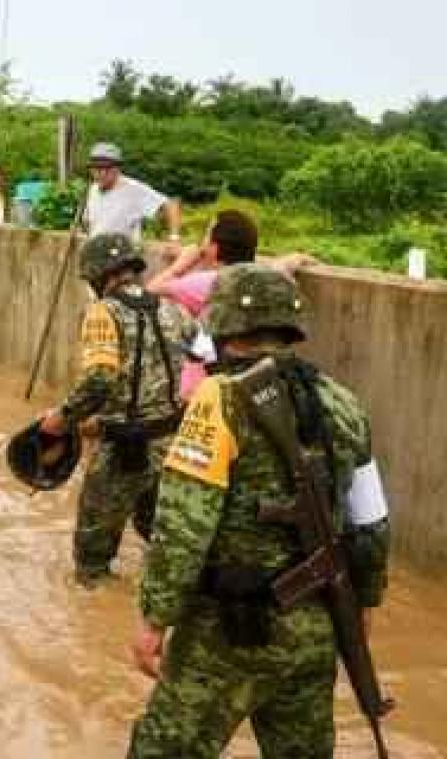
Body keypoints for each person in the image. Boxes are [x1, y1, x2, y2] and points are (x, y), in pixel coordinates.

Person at [128, 264, 391, 757]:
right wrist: (364, 606)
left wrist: (153, 619)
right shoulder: (345, 403)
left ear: (222, 323)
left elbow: (183, 528)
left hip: (225, 634)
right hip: (315, 627)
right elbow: (373, 526)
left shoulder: (218, 398)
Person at [38, 233, 191, 586]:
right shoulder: (171, 308)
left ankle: (97, 621)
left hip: (123, 450)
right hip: (172, 446)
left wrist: (62, 418)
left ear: (96, 276)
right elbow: (208, 355)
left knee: (91, 558)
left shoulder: (102, 312)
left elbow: (101, 378)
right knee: (160, 535)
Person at [146, 210, 314, 399]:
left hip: (204, 391)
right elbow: (273, 269)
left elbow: (149, 292)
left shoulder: (206, 282)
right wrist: (291, 260)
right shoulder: (264, 281)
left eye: (206, 236)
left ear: (214, 249)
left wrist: (180, 265)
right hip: (259, 387)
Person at [83, 143, 182, 250]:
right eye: (97, 169)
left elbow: (171, 205)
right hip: (97, 255)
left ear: (117, 168)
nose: (102, 173)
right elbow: (90, 224)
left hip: (123, 256)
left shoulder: (133, 189)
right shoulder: (93, 189)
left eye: (107, 169)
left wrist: (174, 238)